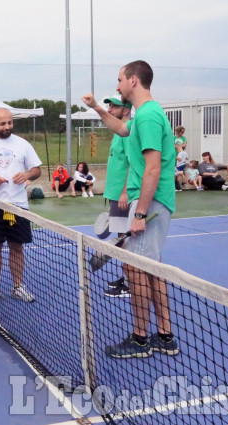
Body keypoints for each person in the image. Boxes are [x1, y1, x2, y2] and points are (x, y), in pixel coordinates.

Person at [82, 59, 179, 359]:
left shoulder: (149, 116)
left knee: (137, 271)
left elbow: (152, 169)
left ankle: (140, 340)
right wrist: (98, 108)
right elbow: (122, 129)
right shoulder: (142, 116)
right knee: (151, 270)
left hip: (149, 203)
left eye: (120, 80)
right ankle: (164, 335)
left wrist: (139, 214)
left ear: (134, 80)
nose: (117, 85)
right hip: (146, 202)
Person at [0, 108, 42, 305]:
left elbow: (37, 170)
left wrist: (27, 175)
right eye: (2, 124)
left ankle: (18, 286)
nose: (7, 127)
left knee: (17, 248)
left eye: (10, 123)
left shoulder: (23, 145)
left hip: (18, 206)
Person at [101, 94, 133, 298]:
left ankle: (131, 284)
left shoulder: (128, 132)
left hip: (123, 196)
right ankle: (129, 278)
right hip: (115, 194)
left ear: (127, 110)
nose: (110, 109)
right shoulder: (118, 131)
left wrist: (124, 193)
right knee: (122, 238)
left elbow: (133, 164)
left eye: (115, 106)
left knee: (126, 240)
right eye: (109, 106)